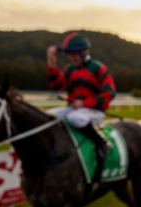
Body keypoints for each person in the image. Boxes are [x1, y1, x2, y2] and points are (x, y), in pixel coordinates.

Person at [47, 32, 116, 182]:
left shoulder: (99, 68)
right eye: (69, 55)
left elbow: (109, 93)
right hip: (76, 110)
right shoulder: (70, 70)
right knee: (49, 116)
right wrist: (51, 63)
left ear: (84, 53)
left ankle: (102, 142)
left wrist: (85, 103)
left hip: (94, 112)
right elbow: (56, 86)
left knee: (74, 118)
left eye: (74, 55)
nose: (71, 58)